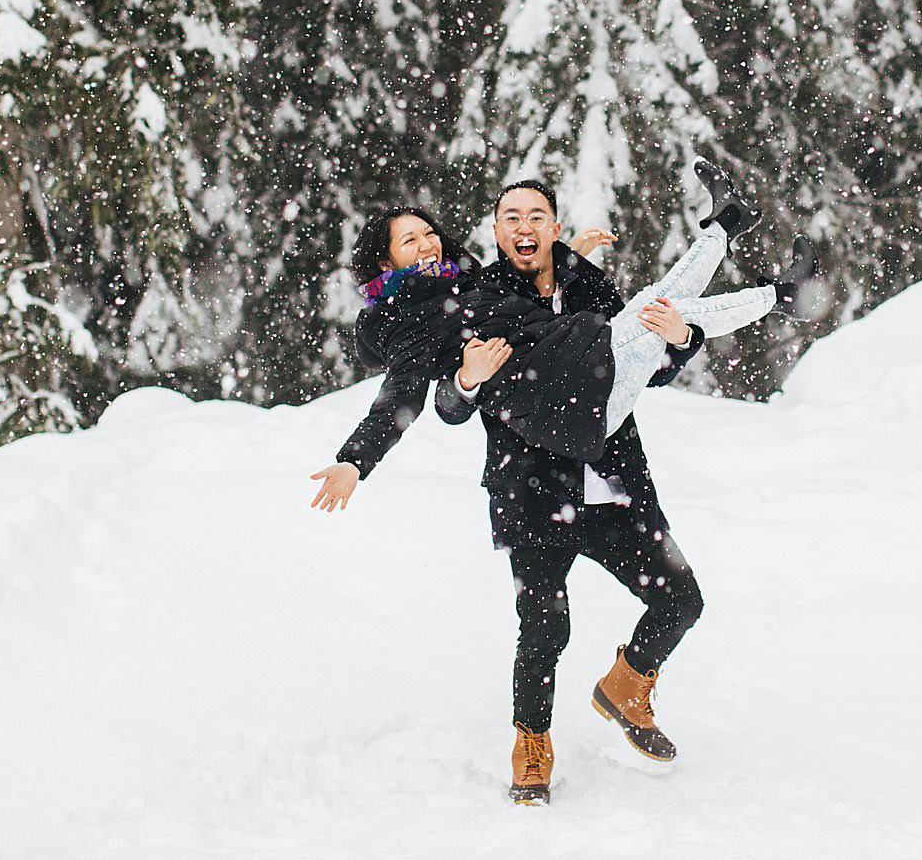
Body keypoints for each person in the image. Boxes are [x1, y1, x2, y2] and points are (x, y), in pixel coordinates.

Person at [310, 161, 817, 805]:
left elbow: (653, 361)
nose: (524, 229)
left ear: (553, 227)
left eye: (537, 219)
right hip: (532, 490)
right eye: (511, 219)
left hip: (607, 468)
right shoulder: (465, 293)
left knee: (681, 602)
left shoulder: (576, 283)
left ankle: (627, 685)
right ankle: (530, 741)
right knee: (545, 625)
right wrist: (368, 450)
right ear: (495, 231)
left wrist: (681, 339)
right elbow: (429, 398)